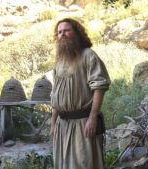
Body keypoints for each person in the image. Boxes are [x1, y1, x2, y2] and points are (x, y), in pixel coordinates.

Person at [50, 18, 110, 169]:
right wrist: (52, 124)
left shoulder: (88, 56)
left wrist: (92, 118)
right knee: (63, 165)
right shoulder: (59, 62)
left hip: (82, 123)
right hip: (62, 125)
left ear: (76, 33)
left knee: (84, 164)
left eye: (67, 30)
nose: (62, 34)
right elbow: (57, 95)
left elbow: (99, 87)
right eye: (59, 32)